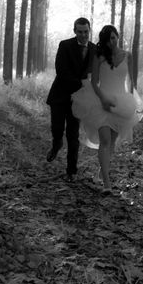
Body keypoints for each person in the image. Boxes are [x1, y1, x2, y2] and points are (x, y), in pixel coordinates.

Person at [71, 25, 143, 193]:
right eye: (107, 39)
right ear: (103, 41)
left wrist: (130, 101)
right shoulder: (100, 56)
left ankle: (102, 173)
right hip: (100, 101)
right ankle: (107, 184)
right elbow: (94, 82)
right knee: (104, 140)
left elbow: (131, 82)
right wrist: (103, 99)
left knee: (111, 145)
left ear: (118, 36)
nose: (111, 41)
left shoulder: (127, 56)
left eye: (113, 37)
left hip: (120, 103)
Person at [45, 17, 96, 181]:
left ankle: (71, 171)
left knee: (73, 135)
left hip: (79, 101)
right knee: (57, 128)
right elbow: (61, 71)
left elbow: (98, 71)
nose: (83, 35)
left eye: (86, 32)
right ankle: (56, 144)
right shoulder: (65, 45)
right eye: (80, 32)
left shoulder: (95, 49)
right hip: (60, 96)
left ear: (89, 31)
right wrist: (82, 83)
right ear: (75, 31)